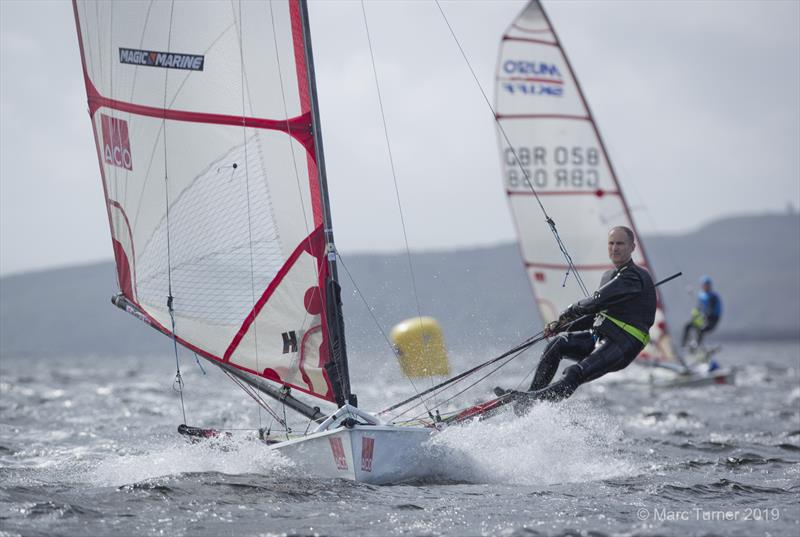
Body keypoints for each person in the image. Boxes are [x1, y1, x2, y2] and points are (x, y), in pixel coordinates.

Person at [495, 226, 656, 404]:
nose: (614, 248)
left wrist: (569, 311)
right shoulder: (609, 276)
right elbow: (596, 315)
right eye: (611, 243)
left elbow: (596, 301)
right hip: (602, 335)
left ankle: (535, 400)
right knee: (558, 344)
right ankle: (528, 399)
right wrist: (562, 326)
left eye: (620, 243)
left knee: (574, 373)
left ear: (632, 247)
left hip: (624, 343)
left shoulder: (634, 276)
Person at [681, 275, 722, 348]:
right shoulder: (701, 295)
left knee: (701, 329)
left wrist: (705, 314)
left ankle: (697, 345)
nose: (705, 286)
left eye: (707, 284)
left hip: (712, 320)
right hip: (702, 319)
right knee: (687, 326)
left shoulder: (713, 297)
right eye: (704, 284)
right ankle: (683, 345)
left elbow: (711, 310)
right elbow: (698, 308)